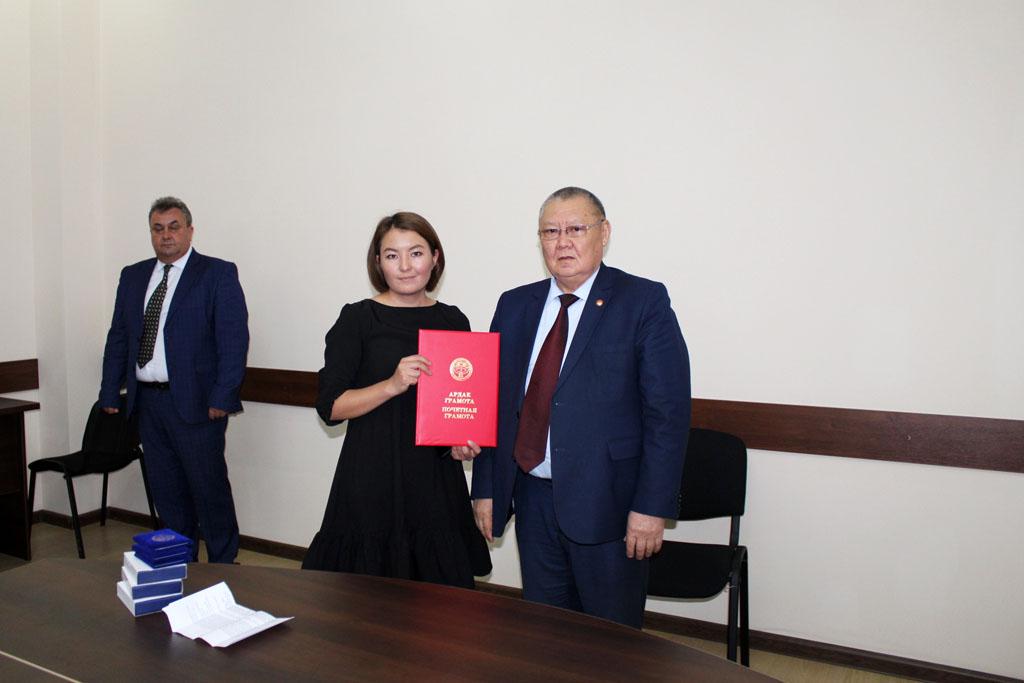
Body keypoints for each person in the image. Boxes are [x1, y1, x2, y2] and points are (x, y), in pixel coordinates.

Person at [470, 187, 690, 627]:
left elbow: (667, 414)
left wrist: (651, 506)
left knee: (612, 640)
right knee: (547, 635)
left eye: (575, 228)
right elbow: (496, 404)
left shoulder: (642, 301)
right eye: (550, 232)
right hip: (533, 500)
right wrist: (487, 488)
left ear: (603, 233)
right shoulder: (515, 305)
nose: (562, 242)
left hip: (609, 504)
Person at [302, 212, 491, 587]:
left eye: (416, 253)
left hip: (434, 480)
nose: (405, 266)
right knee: (367, 599)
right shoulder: (358, 318)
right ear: (378, 263)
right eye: (392, 255)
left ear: (435, 257)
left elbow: (458, 405)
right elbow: (331, 407)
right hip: (372, 473)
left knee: (439, 603)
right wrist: (391, 384)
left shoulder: (454, 320)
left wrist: (461, 444)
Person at [99, 196, 249, 563]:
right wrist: (109, 391)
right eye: (158, 228)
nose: (166, 235)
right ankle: (180, 567)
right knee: (167, 494)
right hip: (148, 404)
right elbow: (119, 337)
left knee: (208, 491)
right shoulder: (133, 276)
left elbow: (234, 341)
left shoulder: (216, 274)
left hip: (198, 405)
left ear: (190, 231)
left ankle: (225, 567)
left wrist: (223, 397)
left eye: (174, 227)